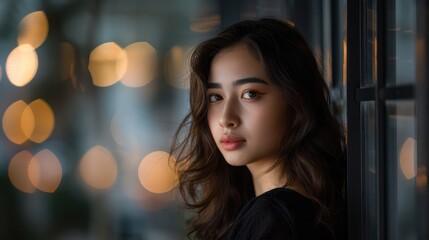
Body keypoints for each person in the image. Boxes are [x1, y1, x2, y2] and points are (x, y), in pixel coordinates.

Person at [171, 18, 347, 240]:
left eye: (250, 94)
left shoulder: (275, 218)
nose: (226, 118)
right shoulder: (283, 210)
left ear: (295, 101)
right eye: (216, 97)